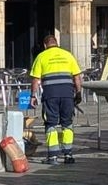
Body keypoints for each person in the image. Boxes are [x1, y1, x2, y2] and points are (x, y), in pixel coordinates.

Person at [29, 34, 83, 165]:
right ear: (56, 43)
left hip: (50, 95)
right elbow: (77, 77)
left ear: (44, 45)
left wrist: (32, 96)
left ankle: (52, 157)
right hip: (67, 94)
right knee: (67, 123)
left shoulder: (41, 56)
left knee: (51, 124)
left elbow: (35, 79)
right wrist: (79, 93)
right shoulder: (68, 55)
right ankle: (68, 155)